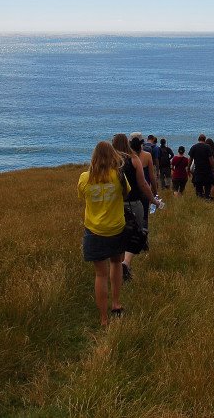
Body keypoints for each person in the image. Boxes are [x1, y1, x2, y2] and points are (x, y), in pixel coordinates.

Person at [77, 140, 128, 326]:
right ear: (113, 156)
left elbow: (83, 196)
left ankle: (103, 319)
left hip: (94, 229)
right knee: (116, 263)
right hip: (116, 228)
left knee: (100, 274)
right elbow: (125, 194)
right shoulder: (119, 176)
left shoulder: (85, 177)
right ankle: (116, 303)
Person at [112, 133, 154, 282]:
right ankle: (125, 263)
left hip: (114, 203)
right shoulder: (134, 159)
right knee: (135, 233)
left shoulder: (110, 161)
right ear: (127, 143)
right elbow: (143, 183)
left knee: (117, 233)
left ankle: (118, 265)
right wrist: (153, 199)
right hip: (134, 201)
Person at [188, 134, 214, 200]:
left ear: (198, 139)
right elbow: (211, 159)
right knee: (207, 187)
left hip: (198, 171)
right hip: (207, 171)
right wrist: (213, 168)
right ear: (204, 139)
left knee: (198, 189)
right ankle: (207, 198)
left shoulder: (193, 147)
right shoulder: (207, 147)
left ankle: (200, 200)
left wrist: (188, 168)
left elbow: (190, 159)